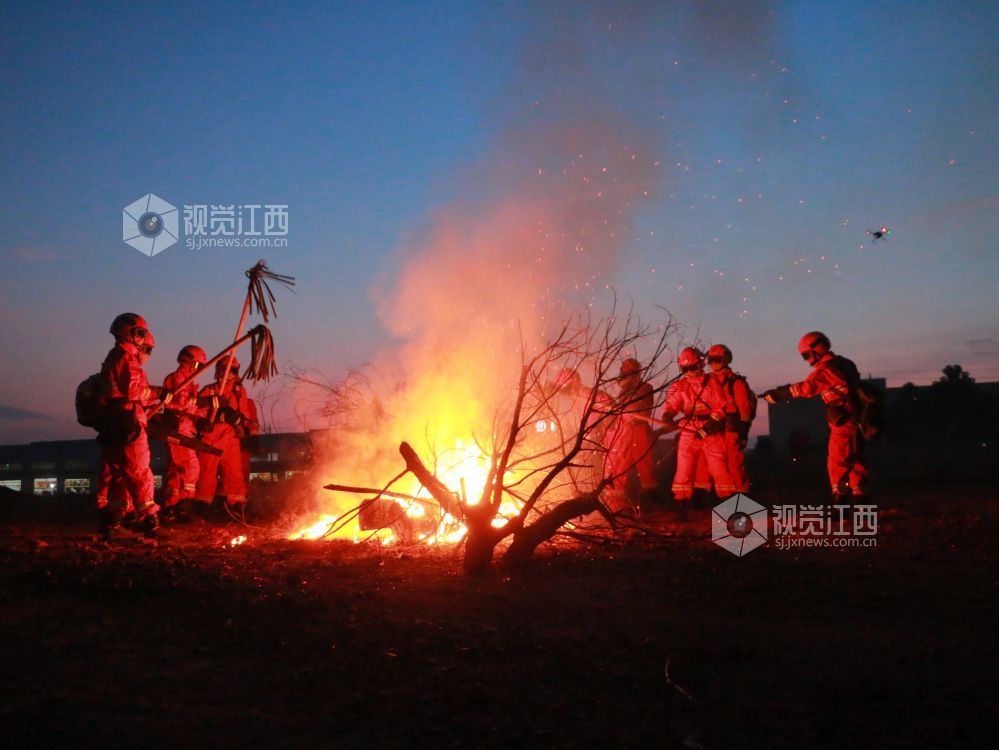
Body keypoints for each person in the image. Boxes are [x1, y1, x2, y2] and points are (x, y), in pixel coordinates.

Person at [762, 332, 868, 501]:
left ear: (816, 350)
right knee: (855, 456)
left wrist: (781, 393)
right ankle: (861, 494)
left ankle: (840, 499)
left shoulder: (827, 369)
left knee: (837, 458)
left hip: (845, 419)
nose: (806, 360)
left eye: (806, 355)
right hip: (858, 417)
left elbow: (808, 387)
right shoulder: (844, 363)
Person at [97, 313, 161, 539]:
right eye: (140, 333)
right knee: (139, 469)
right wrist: (156, 393)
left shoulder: (114, 356)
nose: (142, 340)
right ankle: (149, 522)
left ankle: (113, 524)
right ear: (130, 333)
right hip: (127, 420)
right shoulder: (126, 357)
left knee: (119, 473)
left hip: (113, 420)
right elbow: (134, 392)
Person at [661, 347, 735, 521]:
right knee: (684, 469)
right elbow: (672, 406)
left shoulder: (712, 382)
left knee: (719, 469)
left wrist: (708, 427)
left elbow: (720, 407)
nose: (691, 372)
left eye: (693, 367)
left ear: (700, 363)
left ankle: (732, 508)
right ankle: (681, 506)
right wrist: (667, 416)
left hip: (712, 429)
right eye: (686, 369)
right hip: (688, 429)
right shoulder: (678, 386)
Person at [692, 344, 754, 502]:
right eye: (710, 360)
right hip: (712, 428)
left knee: (734, 464)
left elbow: (744, 410)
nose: (713, 363)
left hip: (730, 429)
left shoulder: (736, 383)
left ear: (726, 360)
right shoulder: (705, 382)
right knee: (705, 462)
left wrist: (743, 433)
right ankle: (702, 499)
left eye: (716, 359)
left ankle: (741, 498)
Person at [194, 356, 257, 512]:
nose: (229, 374)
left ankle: (236, 508)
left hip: (230, 439)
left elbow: (245, 414)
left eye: (233, 371)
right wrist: (211, 418)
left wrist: (247, 429)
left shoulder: (239, 392)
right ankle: (202, 507)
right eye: (226, 370)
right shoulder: (209, 390)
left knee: (234, 474)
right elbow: (197, 412)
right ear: (219, 371)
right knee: (206, 474)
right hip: (210, 439)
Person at [602, 358, 660, 515]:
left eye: (630, 373)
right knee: (620, 466)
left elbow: (642, 409)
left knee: (645, 467)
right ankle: (617, 505)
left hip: (640, 430)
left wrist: (629, 412)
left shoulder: (645, 387)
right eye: (625, 373)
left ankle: (650, 505)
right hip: (625, 431)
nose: (626, 376)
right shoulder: (623, 391)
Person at [159, 345, 206, 520]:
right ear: (189, 362)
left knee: (176, 471)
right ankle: (183, 506)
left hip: (184, 428)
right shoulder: (178, 378)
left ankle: (172, 508)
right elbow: (181, 404)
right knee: (190, 467)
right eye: (198, 366)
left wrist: (204, 416)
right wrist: (203, 402)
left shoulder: (188, 380)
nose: (199, 370)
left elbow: (191, 408)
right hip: (178, 429)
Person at [553, 367, 610, 496]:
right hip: (587, 436)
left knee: (596, 469)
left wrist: (602, 404)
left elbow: (609, 406)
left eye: (568, 388)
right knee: (581, 465)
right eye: (565, 390)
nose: (567, 393)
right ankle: (586, 496)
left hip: (598, 438)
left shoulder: (590, 395)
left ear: (575, 382)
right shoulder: (576, 397)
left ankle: (601, 498)